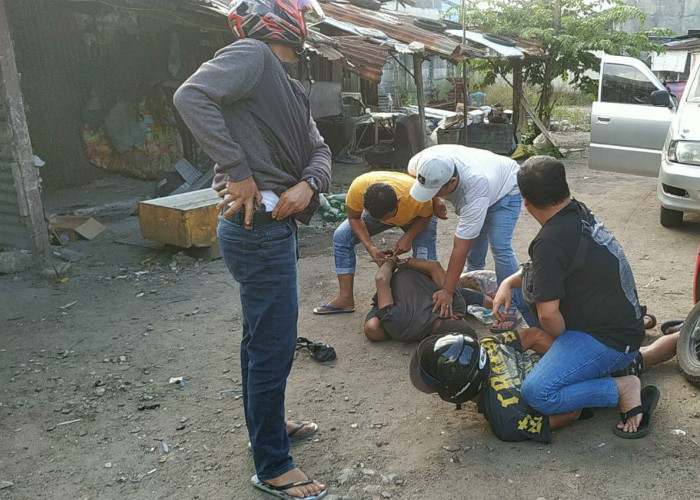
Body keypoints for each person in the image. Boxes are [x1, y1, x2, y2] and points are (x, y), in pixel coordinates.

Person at [173, 1, 330, 498]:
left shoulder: (290, 84)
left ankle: (269, 428)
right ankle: (271, 465)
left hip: (274, 227)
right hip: (255, 226)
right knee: (272, 346)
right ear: (286, 20)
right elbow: (190, 96)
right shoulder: (253, 55)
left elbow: (320, 148)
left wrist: (309, 184)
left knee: (262, 340)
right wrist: (237, 171)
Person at [492, 155, 653, 438]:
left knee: (537, 392)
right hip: (620, 324)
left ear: (525, 202)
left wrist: (561, 347)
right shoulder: (576, 212)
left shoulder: (550, 241)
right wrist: (507, 282)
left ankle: (622, 388)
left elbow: (548, 315)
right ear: (564, 188)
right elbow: (540, 274)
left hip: (610, 339)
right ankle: (586, 365)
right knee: (530, 293)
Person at [410, 331, 678, 442]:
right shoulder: (489, 347)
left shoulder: (504, 420)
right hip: (578, 347)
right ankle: (681, 331)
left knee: (647, 356)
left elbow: (570, 413)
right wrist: (566, 361)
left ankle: (622, 388)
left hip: (597, 372)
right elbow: (536, 335)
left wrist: (576, 375)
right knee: (643, 352)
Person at [407, 144, 533, 331]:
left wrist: (447, 291)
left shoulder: (473, 190)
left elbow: (460, 247)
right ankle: (475, 292)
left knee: (500, 246)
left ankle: (510, 309)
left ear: (452, 182)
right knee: (475, 247)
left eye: (435, 190)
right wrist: (435, 199)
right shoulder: (423, 163)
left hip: (506, 187)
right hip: (488, 180)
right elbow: (413, 176)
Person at [314, 171, 437, 315]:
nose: (385, 221)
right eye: (379, 218)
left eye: (389, 217)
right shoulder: (358, 189)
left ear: (398, 201)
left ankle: (424, 303)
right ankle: (345, 299)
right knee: (342, 237)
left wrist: (409, 236)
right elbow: (354, 218)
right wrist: (369, 246)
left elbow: (427, 215)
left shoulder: (415, 196)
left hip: (417, 217)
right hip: (382, 210)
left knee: (425, 261)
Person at [363, 256, 491, 342]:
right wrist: (394, 262)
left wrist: (391, 262)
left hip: (401, 291)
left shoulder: (457, 307)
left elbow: (381, 280)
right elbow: (382, 280)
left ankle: (462, 283)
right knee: (487, 302)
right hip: (414, 280)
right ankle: (462, 283)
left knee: (373, 329)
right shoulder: (455, 306)